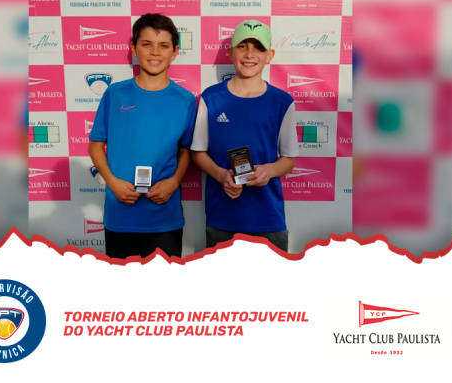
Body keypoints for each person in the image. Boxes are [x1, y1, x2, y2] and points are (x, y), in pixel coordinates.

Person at [88, 14, 197, 259]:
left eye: (164, 45)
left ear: (175, 52)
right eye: (146, 44)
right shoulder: (115, 94)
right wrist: (113, 182)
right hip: (120, 214)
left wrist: (174, 181)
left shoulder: (185, 100)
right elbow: (95, 145)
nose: (155, 52)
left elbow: (186, 150)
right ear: (134, 48)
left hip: (164, 216)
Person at [191, 19, 299, 252]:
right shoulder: (211, 98)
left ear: (269, 55)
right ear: (230, 52)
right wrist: (221, 175)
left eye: (258, 48)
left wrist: (269, 171)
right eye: (242, 46)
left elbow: (289, 159)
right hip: (222, 216)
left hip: (268, 217)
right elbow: (198, 153)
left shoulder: (282, 102)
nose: (249, 54)